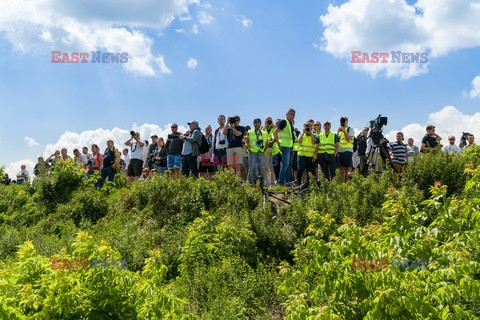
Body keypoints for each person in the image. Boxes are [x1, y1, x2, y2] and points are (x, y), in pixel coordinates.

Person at [274, 108, 296, 186]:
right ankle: (280, 183)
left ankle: (289, 183)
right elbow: (275, 132)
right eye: (292, 114)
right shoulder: (284, 121)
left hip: (290, 147)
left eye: (294, 114)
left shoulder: (290, 123)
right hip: (285, 146)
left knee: (289, 165)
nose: (293, 116)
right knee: (285, 165)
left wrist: (292, 148)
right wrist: (279, 144)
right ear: (287, 114)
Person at [245, 118, 268, 184]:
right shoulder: (249, 132)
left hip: (261, 152)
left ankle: (262, 184)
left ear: (260, 123)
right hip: (252, 152)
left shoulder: (264, 133)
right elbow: (246, 141)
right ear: (253, 123)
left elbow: (267, 143)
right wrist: (248, 148)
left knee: (261, 168)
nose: (257, 124)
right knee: (252, 168)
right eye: (255, 123)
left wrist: (264, 150)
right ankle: (250, 184)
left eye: (258, 122)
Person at [337, 116, 354, 183]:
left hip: (347, 151)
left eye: (344, 120)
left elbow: (348, 139)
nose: (343, 122)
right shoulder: (340, 130)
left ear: (347, 121)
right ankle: (343, 184)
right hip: (340, 152)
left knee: (347, 169)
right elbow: (337, 140)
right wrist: (338, 132)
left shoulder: (350, 129)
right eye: (342, 120)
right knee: (341, 169)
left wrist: (344, 130)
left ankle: (347, 183)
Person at [262, 116, 276, 186]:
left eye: (270, 120)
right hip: (265, 149)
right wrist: (265, 125)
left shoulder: (274, 128)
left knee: (272, 167)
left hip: (273, 149)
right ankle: (267, 183)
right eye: (267, 120)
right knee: (266, 167)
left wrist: (273, 125)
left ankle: (273, 183)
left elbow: (278, 131)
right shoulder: (263, 129)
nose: (269, 122)